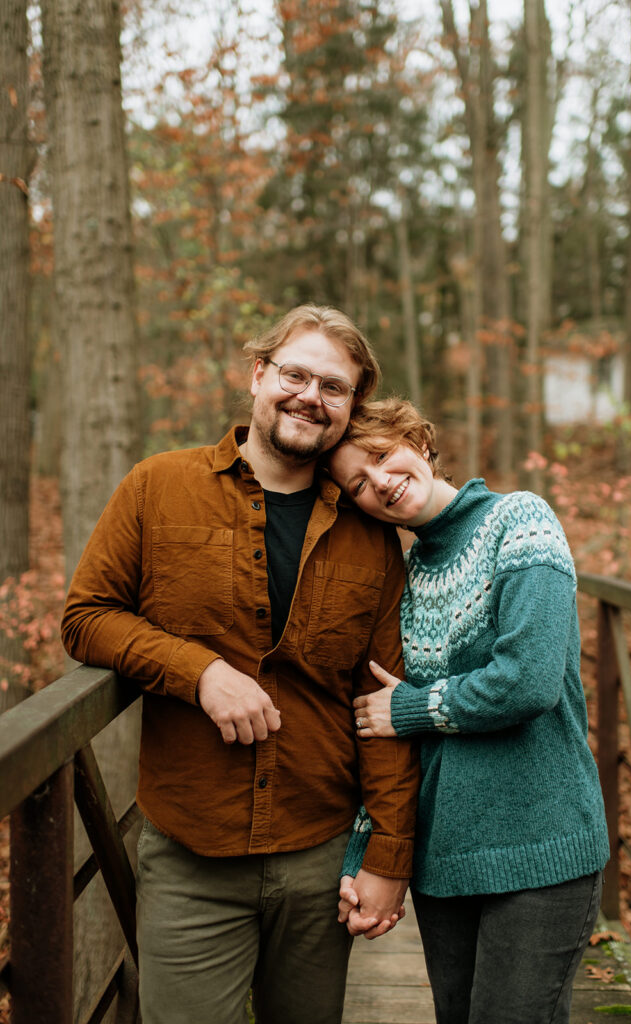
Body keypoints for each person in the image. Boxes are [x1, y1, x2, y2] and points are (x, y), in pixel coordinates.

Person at [61, 307, 420, 1024]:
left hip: (321, 856)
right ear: (258, 375)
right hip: (193, 851)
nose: (310, 397)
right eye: (295, 374)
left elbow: (385, 702)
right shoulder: (156, 488)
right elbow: (86, 616)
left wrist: (388, 856)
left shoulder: (370, 530)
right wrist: (198, 672)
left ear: (350, 407)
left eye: (334, 387)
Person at [328, 397, 610, 1024]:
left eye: (380, 456)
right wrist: (365, 857)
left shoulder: (521, 521)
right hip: (444, 863)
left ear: (416, 439)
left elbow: (528, 681)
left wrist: (411, 708)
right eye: (358, 485)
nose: (380, 482)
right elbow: (390, 738)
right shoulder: (404, 574)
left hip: (541, 847)